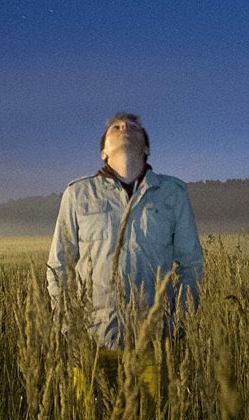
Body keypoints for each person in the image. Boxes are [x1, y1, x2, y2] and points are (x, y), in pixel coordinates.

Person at [45, 112, 204, 348]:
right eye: (115, 127)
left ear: (147, 149)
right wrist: (71, 327)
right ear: (103, 153)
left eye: (133, 127)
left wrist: (175, 322)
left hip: (156, 342)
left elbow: (191, 265)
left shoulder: (172, 194)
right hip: (93, 343)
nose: (124, 127)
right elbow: (59, 267)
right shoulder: (78, 194)